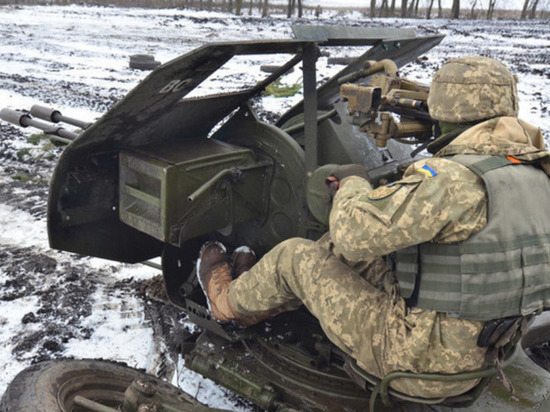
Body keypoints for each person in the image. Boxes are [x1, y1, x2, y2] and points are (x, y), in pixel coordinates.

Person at [196, 56, 550, 399]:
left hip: (420, 364)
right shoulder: (535, 173)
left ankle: (226, 304)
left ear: (446, 109)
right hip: (485, 351)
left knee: (296, 257)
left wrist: (352, 184)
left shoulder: (456, 182)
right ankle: (259, 300)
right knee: (334, 249)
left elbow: (353, 232)